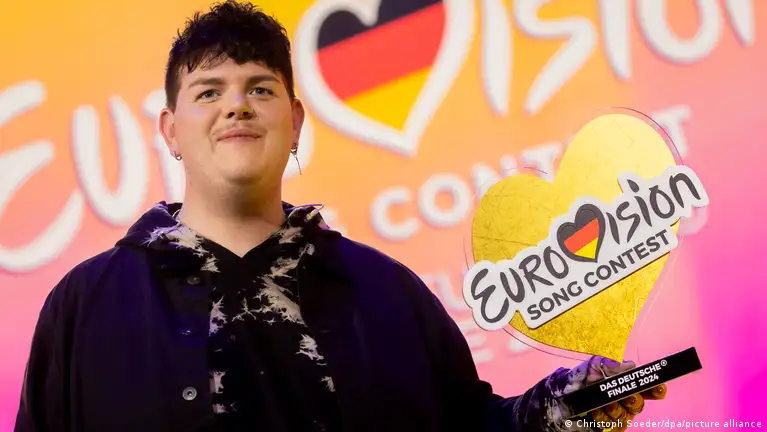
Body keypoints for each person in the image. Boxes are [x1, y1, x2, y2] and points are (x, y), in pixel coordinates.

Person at [13, 1, 666, 431]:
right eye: (208, 92)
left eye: (260, 88)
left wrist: (569, 403)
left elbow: (472, 427)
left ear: (296, 121)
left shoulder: (383, 291)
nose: (236, 106)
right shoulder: (85, 306)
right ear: (170, 130)